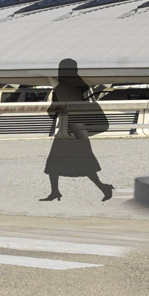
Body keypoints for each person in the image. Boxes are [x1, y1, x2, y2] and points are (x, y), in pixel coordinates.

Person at [41, 58, 114, 201]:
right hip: (79, 127)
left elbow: (52, 111)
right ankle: (103, 187)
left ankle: (55, 192)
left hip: (67, 127)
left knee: (55, 161)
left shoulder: (61, 87)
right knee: (85, 162)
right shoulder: (83, 86)